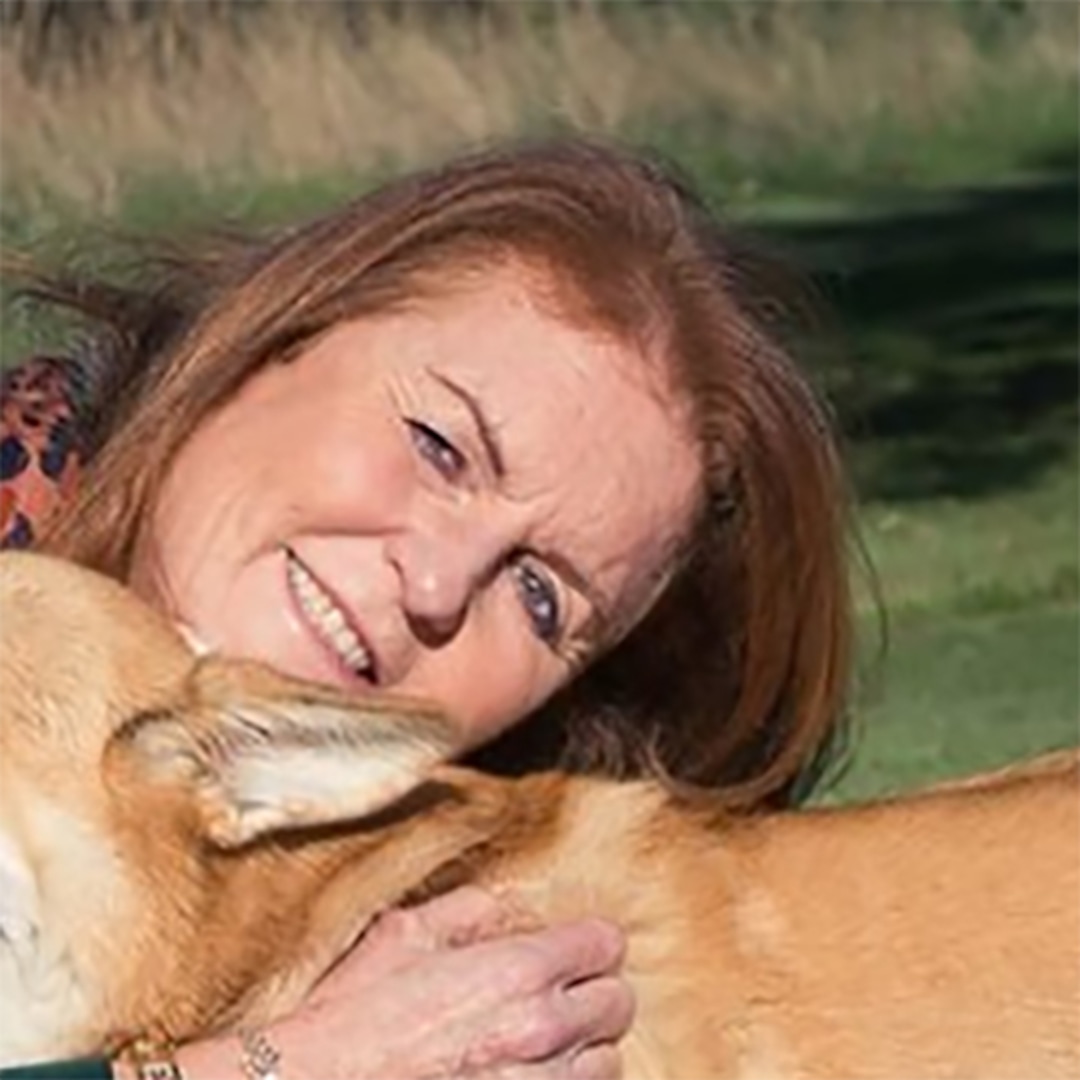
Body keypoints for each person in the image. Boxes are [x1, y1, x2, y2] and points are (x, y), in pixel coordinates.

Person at [0, 137, 855, 1080]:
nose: (438, 585)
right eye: (441, 447)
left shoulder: (500, 983)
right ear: (280, 334)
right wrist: (268, 1069)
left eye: (538, 596)